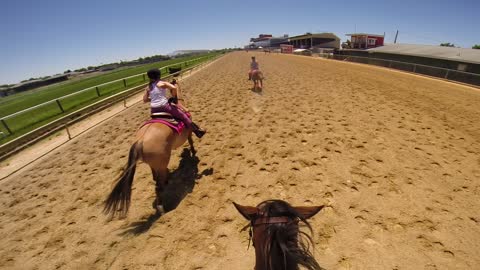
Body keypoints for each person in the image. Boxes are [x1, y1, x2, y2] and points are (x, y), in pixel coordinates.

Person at [143, 69, 206, 138]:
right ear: (158, 75)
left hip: (154, 109)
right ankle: (197, 131)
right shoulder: (162, 83)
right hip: (164, 106)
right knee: (183, 116)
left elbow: (145, 100)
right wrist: (173, 97)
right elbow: (174, 88)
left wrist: (154, 99)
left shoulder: (148, 87)